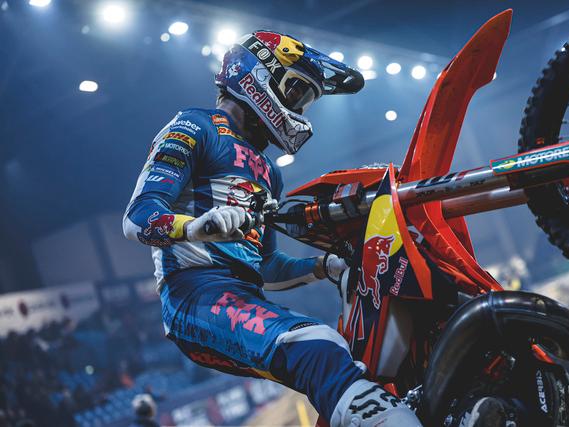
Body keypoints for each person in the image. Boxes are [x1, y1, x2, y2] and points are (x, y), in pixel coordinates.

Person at [123, 30, 423, 426]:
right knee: (316, 345)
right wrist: (196, 227)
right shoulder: (195, 125)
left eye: (306, 100)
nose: (299, 107)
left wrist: (325, 266)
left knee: (351, 350)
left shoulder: (268, 171)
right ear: (257, 74)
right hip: (194, 294)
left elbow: (266, 267)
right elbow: (138, 216)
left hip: (243, 294)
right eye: (296, 91)